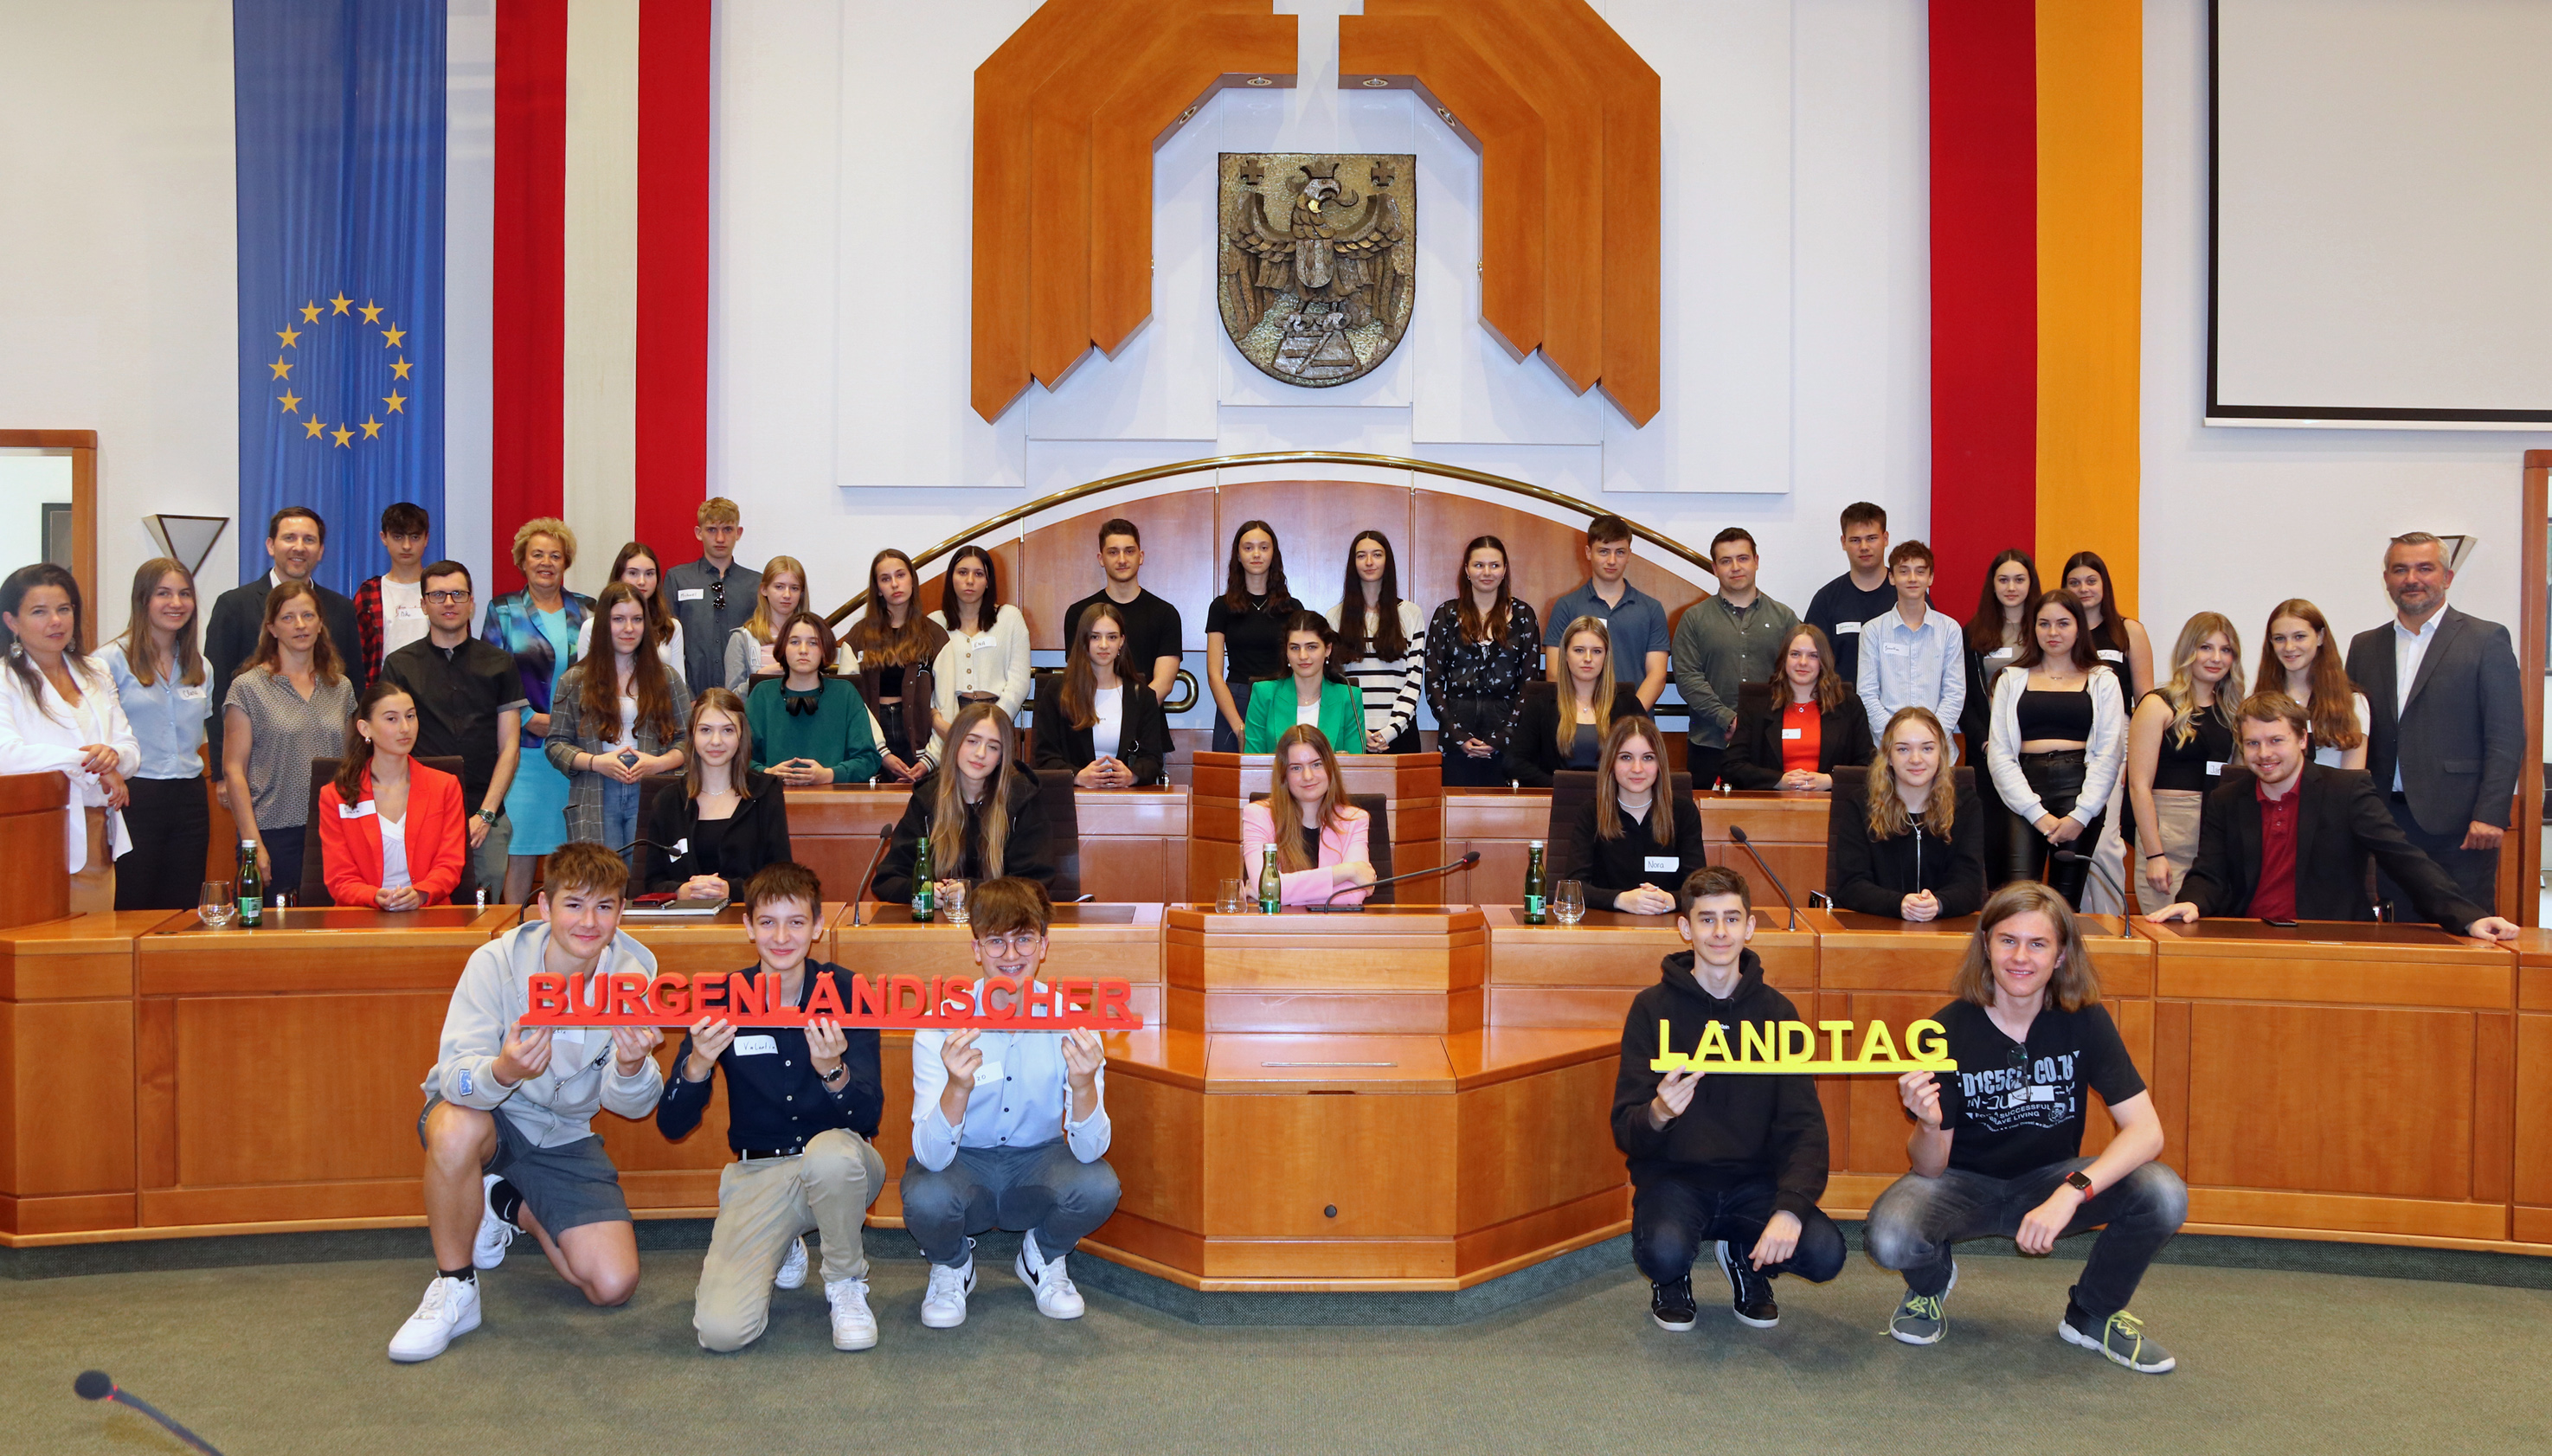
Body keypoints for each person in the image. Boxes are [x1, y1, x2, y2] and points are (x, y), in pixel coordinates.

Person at [1866, 882, 2188, 1373]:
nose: (2021, 957)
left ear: (2060, 956)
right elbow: (1929, 1168)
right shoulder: (1948, 1028)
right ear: (1986, 947)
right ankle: (1930, 1286)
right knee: (1889, 1236)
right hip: (1962, 1184)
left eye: (2038, 944)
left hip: (2052, 1180)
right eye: (2008, 940)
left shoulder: (2084, 1021)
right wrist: (1930, 1124)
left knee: (2163, 1192)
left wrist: (2070, 1193)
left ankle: (2092, 1314)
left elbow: (2147, 1132)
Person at [393, 843, 665, 1362]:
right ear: (544, 907)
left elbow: (632, 1106)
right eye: (574, 905)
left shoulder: (636, 974)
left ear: (621, 912)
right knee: (455, 1129)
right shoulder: (493, 962)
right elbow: (452, 1079)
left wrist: (631, 1068)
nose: (590, 922)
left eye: (605, 907)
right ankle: (455, 1288)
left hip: (564, 1135)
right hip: (491, 1118)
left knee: (611, 1284)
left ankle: (504, 1202)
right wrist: (503, 1071)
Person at [658, 863, 884, 1352]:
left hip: (842, 1164)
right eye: (767, 922)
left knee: (831, 1157)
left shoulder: (848, 991)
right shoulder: (719, 997)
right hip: (759, 1173)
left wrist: (833, 1072)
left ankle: (845, 1282)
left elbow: (868, 1118)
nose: (782, 937)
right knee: (721, 1333)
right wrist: (697, 1062)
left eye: (796, 922)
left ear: (818, 926)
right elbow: (672, 1123)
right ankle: (785, 1242)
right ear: (748, 927)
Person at [1611, 865, 1842, 1332]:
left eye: (1733, 919)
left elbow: (1806, 1129)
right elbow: (1625, 1129)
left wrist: (1789, 1209)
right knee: (1664, 1252)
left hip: (1754, 1183)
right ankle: (1672, 1279)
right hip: (1676, 1180)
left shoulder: (1779, 1013)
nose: (1720, 932)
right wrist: (1659, 1113)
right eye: (1707, 919)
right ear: (1685, 928)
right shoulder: (1650, 1009)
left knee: (1825, 1253)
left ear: (1751, 928)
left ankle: (1745, 1256)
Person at [903, 876, 1120, 1326]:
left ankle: (1042, 1255)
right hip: (963, 1164)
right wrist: (956, 1088)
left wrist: (1083, 1087)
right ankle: (953, 1264)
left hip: (1038, 1163)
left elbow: (1089, 1151)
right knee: (925, 1198)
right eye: (996, 942)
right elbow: (928, 1154)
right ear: (976, 949)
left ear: (1043, 946)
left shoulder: (1075, 1022)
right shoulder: (940, 1023)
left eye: (1024, 939)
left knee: (1099, 1186)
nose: (1011, 955)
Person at [2147, 692, 2520, 940]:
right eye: (2253, 743)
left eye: (2276, 740)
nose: (2264, 753)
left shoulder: (2347, 792)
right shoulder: (2227, 799)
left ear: (2302, 740)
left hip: (2331, 940)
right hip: (2250, 940)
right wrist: (2192, 902)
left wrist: (2468, 917)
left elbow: (2405, 861)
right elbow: (2209, 873)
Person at [2346, 532, 2524, 915]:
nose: (2412, 578)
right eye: (2401, 569)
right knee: (2396, 935)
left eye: (2425, 568)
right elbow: (2352, 733)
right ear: (2387, 579)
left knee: (2465, 933)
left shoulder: (2485, 639)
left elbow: (2506, 735)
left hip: (2459, 824)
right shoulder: (2364, 646)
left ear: (2448, 577)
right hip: (2383, 821)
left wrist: (2490, 813)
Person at [384, 561, 526, 902]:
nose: (449, 602)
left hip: (485, 815)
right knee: (423, 910)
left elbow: (510, 747)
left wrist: (486, 814)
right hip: (420, 814)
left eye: (458, 594)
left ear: (472, 602)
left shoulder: (500, 664)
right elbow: (391, 745)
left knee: (483, 912)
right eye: (437, 595)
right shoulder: (400, 665)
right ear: (423, 604)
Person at [0, 564, 136, 911]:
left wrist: (112, 757)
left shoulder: (96, 671)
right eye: (39, 612)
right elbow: (8, 755)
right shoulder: (5, 680)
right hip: (35, 839)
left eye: (64, 609)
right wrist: (91, 762)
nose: (56, 621)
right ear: (12, 622)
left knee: (99, 949)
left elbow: (130, 749)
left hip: (97, 836)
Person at [1983, 591, 2125, 908]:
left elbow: (2109, 753)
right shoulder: (2011, 679)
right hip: (2023, 792)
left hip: (2080, 789)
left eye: (2063, 623)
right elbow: (2001, 754)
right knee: (2018, 896)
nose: (2053, 632)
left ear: (2079, 628)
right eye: (2044, 624)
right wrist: (2038, 815)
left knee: (2065, 901)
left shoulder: (2103, 679)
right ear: (2032, 629)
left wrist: (2082, 814)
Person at [220, 580, 355, 896]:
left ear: (321, 624)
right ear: (272, 628)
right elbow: (234, 771)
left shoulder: (341, 688)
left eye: (308, 616)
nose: (300, 625)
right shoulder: (248, 688)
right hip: (271, 832)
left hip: (332, 833)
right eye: (288, 618)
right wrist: (253, 845)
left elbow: (351, 765)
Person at [482, 518, 593, 904]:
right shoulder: (503, 610)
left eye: (555, 556)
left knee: (574, 856)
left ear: (566, 563)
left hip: (577, 749)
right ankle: (512, 937)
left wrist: (569, 723)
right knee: (522, 850)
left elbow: (601, 678)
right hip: (525, 749)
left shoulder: (588, 610)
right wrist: (529, 718)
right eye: (538, 555)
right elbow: (492, 675)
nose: (547, 562)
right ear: (523, 561)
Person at [549, 581, 691, 864]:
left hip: (653, 790)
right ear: (603, 623)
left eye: (637, 619)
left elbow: (688, 741)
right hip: (596, 791)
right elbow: (555, 745)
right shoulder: (574, 680)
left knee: (647, 883)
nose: (629, 628)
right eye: (619, 619)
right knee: (601, 882)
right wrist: (595, 761)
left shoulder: (668, 678)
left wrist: (658, 764)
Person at [206, 505, 362, 764]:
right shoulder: (234, 605)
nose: (299, 547)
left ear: (321, 550)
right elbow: (217, 690)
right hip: (259, 765)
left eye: (309, 540)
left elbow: (355, 687)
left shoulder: (341, 608)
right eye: (289, 538)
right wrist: (222, 772)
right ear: (271, 545)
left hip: (330, 763)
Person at [100, 558, 211, 910]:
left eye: (184, 594)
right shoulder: (108, 662)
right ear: (143, 600)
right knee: (132, 899)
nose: (176, 604)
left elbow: (201, 733)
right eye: (163, 594)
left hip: (190, 797)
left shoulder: (201, 665)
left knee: (182, 905)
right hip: (136, 796)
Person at [872, 702, 1051, 905]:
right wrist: (925, 891)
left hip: (1001, 924)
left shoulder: (1021, 799)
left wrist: (973, 891)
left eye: (993, 747)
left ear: (1002, 757)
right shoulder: (928, 798)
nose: (981, 753)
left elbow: (1035, 884)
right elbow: (888, 878)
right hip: (939, 930)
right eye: (972, 741)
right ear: (955, 743)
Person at [2126, 614, 2241, 914]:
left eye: (2226, 650)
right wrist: (2154, 854)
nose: (2216, 658)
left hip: (2214, 838)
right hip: (2168, 836)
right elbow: (2138, 786)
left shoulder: (2234, 712)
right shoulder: (2157, 705)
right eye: (2206, 647)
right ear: (2188, 650)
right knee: (2169, 934)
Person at [318, 679, 467, 909]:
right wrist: (373, 896)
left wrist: (421, 893)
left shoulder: (445, 786)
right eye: (391, 719)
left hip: (430, 914)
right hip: (361, 917)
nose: (405, 728)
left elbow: (450, 864)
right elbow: (340, 877)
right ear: (365, 729)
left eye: (410, 716)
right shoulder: (336, 795)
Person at [1826, 708, 1983, 921]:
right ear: (1888, 757)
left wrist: (1938, 904)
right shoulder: (1860, 805)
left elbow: (1970, 885)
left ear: (1941, 754)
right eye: (1903, 749)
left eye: (1927, 749)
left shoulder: (1965, 805)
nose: (1916, 759)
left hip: (1946, 932)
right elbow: (1851, 886)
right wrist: (1900, 904)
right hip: (1877, 930)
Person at [1671, 528, 1797, 788]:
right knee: (1704, 823)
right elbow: (1688, 678)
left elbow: (1799, 673)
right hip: (1710, 744)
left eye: (1743, 558)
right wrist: (1727, 718)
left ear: (1756, 561)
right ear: (1715, 568)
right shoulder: (1694, 619)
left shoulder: (1784, 618)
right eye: (1726, 561)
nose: (1735, 567)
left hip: (1770, 743)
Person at [2061, 552, 2152, 912]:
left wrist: (2137, 756)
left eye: (2090, 581)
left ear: (2104, 585)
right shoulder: (2061, 630)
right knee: (2074, 839)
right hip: (2068, 742)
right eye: (2074, 582)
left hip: (2116, 741)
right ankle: (2080, 927)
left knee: (2104, 840)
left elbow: (2145, 700)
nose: (2083, 589)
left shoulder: (2128, 630)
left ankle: (2112, 926)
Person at [645, 688, 791, 901]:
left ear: (741, 735)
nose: (716, 741)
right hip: (684, 926)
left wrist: (730, 890)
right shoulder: (667, 800)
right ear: (692, 734)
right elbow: (651, 884)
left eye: (727, 730)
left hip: (747, 922)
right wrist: (680, 892)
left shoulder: (766, 792)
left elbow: (783, 878)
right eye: (705, 730)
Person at [1425, 536, 1542, 788]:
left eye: (1494, 565)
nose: (1486, 572)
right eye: (1479, 565)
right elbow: (1433, 679)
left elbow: (1530, 684)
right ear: (1467, 570)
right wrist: (1457, 735)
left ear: (1504, 570)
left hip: (1510, 744)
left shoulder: (1524, 617)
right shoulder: (1446, 615)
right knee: (1452, 821)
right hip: (1455, 741)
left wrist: (1502, 737)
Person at [1566, 715, 1707, 914]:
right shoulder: (1591, 813)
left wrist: (1671, 900)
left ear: (1660, 764)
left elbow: (1699, 887)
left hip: (1668, 928)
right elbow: (1573, 887)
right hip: (1607, 929)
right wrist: (1621, 900)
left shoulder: (1683, 812)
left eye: (1648, 758)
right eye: (1626, 757)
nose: (1637, 768)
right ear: (1611, 762)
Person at [1961, 550, 2041, 886]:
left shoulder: (2044, 629)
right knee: (1992, 838)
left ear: (2030, 584)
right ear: (1992, 585)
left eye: (2019, 579)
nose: (2011, 587)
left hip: (2034, 751)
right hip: (1989, 750)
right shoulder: (1974, 631)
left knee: (2029, 838)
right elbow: (1965, 697)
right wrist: (1983, 739)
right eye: (2003, 579)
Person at [1032, 600, 1171, 788]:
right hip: (1072, 798)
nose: (1104, 645)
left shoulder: (1142, 695)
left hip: (1127, 799)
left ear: (1122, 641)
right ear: (1083, 640)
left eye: (1112, 637)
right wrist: (1077, 776)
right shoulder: (1057, 691)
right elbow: (1043, 757)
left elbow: (1153, 759)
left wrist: (1132, 776)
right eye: (1095, 637)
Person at [1238, 724, 1378, 907]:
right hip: (1277, 932)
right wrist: (1346, 871)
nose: (1308, 776)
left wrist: (1275, 891)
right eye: (1296, 768)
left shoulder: (1355, 820)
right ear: (1284, 775)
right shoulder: (1258, 816)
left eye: (1316, 764)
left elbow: (1352, 897)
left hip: (1334, 932)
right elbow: (1265, 887)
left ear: (1330, 768)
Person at [1724, 623, 1872, 792]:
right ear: (1784, 659)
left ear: (1824, 661)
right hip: (1770, 807)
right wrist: (1780, 781)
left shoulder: (1849, 705)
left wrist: (1830, 781)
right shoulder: (1756, 706)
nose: (1803, 662)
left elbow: (1868, 767)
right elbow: (1732, 766)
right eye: (1795, 654)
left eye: (1813, 656)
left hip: (1832, 806)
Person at [1505, 617, 1648, 786]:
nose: (1588, 658)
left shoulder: (1628, 705)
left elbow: (1649, 759)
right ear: (1565, 654)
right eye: (1579, 650)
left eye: (1596, 651)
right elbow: (1514, 763)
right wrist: (1560, 787)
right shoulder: (1540, 704)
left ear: (1606, 656)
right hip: (1558, 802)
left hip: (1613, 803)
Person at [844, 548, 947, 782]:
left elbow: (945, 702)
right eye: (885, 579)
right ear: (878, 589)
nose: (894, 584)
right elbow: (849, 702)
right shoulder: (858, 637)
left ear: (912, 580)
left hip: (920, 737)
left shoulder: (935, 635)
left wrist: (930, 759)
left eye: (900, 575)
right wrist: (881, 753)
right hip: (871, 734)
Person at [1547, 514, 1670, 709]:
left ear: (1629, 554)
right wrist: (1585, 717)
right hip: (1579, 722)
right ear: (1588, 552)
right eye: (1603, 551)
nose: (1612, 560)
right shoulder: (1566, 606)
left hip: (1634, 724)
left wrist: (1627, 718)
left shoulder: (1651, 609)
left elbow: (1657, 676)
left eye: (1619, 552)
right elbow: (1554, 673)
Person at [747, 612, 883, 788]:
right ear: (783, 647)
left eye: (813, 643)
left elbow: (869, 760)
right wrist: (767, 774)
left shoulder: (845, 694)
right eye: (795, 642)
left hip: (833, 803)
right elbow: (739, 758)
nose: (803, 650)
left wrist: (829, 775)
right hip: (772, 801)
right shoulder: (762, 695)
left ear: (824, 649)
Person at [1322, 530, 1427, 754]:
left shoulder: (1410, 613)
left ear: (1387, 561)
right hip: (1352, 730)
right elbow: (1334, 679)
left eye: (1377, 555)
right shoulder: (1334, 617)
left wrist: (1391, 730)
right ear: (1353, 563)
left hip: (1401, 731)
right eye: (1361, 556)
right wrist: (1360, 728)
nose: (1369, 562)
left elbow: (1414, 679)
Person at [926, 544, 1032, 760]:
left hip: (997, 712)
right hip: (949, 716)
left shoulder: (1009, 617)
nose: (970, 580)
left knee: (997, 790)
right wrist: (938, 722)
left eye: (979, 574)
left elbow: (1020, 681)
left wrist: (996, 721)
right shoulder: (933, 622)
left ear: (988, 581)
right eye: (962, 572)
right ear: (951, 578)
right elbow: (922, 684)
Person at [1855, 540, 1964, 747]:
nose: (1912, 579)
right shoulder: (1872, 631)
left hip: (1938, 748)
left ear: (1930, 577)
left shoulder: (1950, 630)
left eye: (1920, 571)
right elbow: (1867, 694)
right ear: (1892, 577)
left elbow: (1954, 693)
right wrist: (1897, 739)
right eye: (1904, 571)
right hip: (1887, 747)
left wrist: (1928, 740)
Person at [1061, 517, 1182, 699]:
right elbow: (1079, 677)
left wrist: (1129, 717)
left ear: (1140, 556)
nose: (1122, 559)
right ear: (1101, 559)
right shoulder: (1078, 614)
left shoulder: (1165, 614)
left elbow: (1163, 684)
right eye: (1113, 552)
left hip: (1147, 722)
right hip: (1093, 719)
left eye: (1129, 551)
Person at [1204, 519, 1298, 753]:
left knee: (1282, 780)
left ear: (1273, 554)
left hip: (1281, 697)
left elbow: (1301, 664)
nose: (1256, 554)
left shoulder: (1292, 607)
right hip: (1235, 700)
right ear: (1238, 555)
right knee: (1230, 784)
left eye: (1264, 547)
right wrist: (1238, 727)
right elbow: (1214, 674)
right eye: (1248, 548)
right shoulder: (1221, 607)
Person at [2260, 600, 2368, 772]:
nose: (2289, 647)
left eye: (2299, 636)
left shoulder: (2353, 702)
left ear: (2320, 637)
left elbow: (2353, 781)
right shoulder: (2259, 702)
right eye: (2279, 638)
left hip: (2331, 798)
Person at [665, 496, 756, 696]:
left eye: (727, 529)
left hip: (742, 697)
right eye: (712, 530)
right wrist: (684, 696)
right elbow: (668, 642)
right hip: (690, 696)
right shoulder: (678, 579)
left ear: (738, 533)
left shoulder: (756, 584)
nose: (720, 538)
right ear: (699, 533)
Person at [1803, 502, 1895, 686]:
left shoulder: (1907, 594)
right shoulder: (1826, 599)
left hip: (1900, 712)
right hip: (1841, 709)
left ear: (1885, 539)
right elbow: (1811, 663)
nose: (1864, 547)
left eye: (1871, 538)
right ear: (1843, 542)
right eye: (1855, 540)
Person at [1244, 612, 1363, 754]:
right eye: (1295, 648)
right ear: (1286, 652)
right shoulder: (1264, 694)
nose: (1303, 656)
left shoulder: (1349, 696)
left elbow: (1357, 764)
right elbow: (1252, 764)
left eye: (1311, 647)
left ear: (1328, 649)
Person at [573, 541, 686, 674]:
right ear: (619, 577)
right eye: (633, 573)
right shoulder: (592, 627)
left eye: (649, 574)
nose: (642, 581)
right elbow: (583, 683)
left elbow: (678, 685)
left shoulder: (671, 627)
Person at [352, 500, 433, 682]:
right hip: (383, 694)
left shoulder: (442, 590)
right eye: (398, 537)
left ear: (426, 538)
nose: (406, 546)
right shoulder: (368, 594)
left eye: (414, 537)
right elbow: (356, 656)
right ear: (384, 538)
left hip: (435, 696)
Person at [723, 555, 807, 696]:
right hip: (758, 716)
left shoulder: (813, 636)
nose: (787, 595)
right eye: (779, 587)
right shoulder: (742, 639)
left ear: (801, 593)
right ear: (764, 590)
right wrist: (759, 678)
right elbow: (732, 700)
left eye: (794, 588)